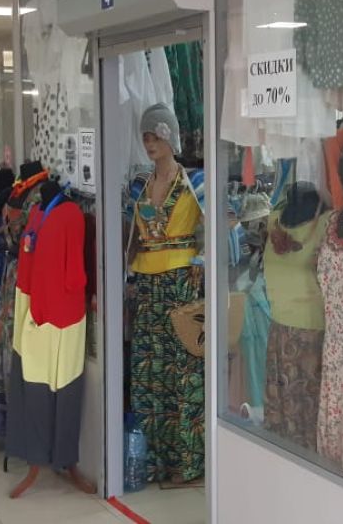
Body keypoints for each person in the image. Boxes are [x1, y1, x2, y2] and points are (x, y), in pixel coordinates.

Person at [127, 103, 206, 484]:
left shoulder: (196, 182)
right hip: (146, 287)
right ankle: (152, 462)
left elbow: (225, 227)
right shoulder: (139, 185)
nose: (149, 144)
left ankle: (187, 462)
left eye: (155, 136)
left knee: (183, 371)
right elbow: (131, 236)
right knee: (149, 374)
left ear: (170, 136)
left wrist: (203, 260)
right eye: (145, 137)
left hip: (181, 284)